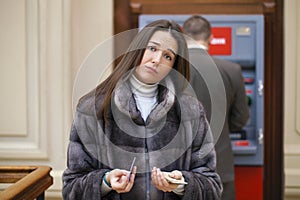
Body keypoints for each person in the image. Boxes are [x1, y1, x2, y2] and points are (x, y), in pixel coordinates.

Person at [62, 19, 222, 200]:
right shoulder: (92, 108)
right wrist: (105, 182)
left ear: (173, 66)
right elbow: (72, 188)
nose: (156, 60)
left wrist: (181, 184)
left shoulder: (191, 111)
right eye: (152, 48)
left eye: (167, 56)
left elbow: (212, 187)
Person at [183, 15, 250, 200]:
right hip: (219, 166)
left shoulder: (171, 69)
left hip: (177, 170)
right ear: (211, 38)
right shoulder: (231, 70)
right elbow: (241, 118)